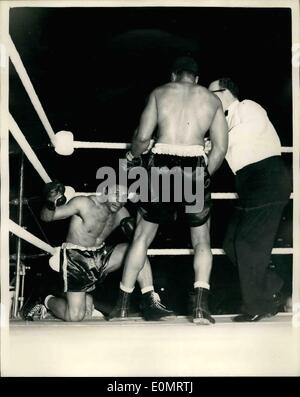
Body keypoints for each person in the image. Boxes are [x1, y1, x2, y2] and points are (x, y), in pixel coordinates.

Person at [109, 56, 228, 324]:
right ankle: (200, 307)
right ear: (196, 79)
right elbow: (220, 148)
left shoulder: (160, 92)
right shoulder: (212, 100)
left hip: (161, 162)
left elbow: (141, 138)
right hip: (195, 165)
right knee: (201, 241)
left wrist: (134, 157)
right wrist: (203, 175)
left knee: (141, 236)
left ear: (174, 75)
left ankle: (122, 307)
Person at [22, 181, 173, 321]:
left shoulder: (122, 212)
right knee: (75, 316)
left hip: (101, 256)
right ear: (105, 192)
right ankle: (45, 299)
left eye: (124, 197)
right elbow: (47, 218)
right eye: (116, 194)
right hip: (77, 259)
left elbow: (138, 237)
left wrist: (152, 212)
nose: (119, 200)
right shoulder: (84, 203)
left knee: (137, 249)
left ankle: (149, 299)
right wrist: (50, 201)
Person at [208, 77, 292, 322]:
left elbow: (235, 138)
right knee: (231, 243)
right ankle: (271, 286)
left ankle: (256, 305)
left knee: (246, 243)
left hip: (266, 178)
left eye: (211, 92)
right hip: (249, 184)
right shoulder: (223, 121)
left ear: (225, 92)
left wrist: (214, 143)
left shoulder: (248, 107)